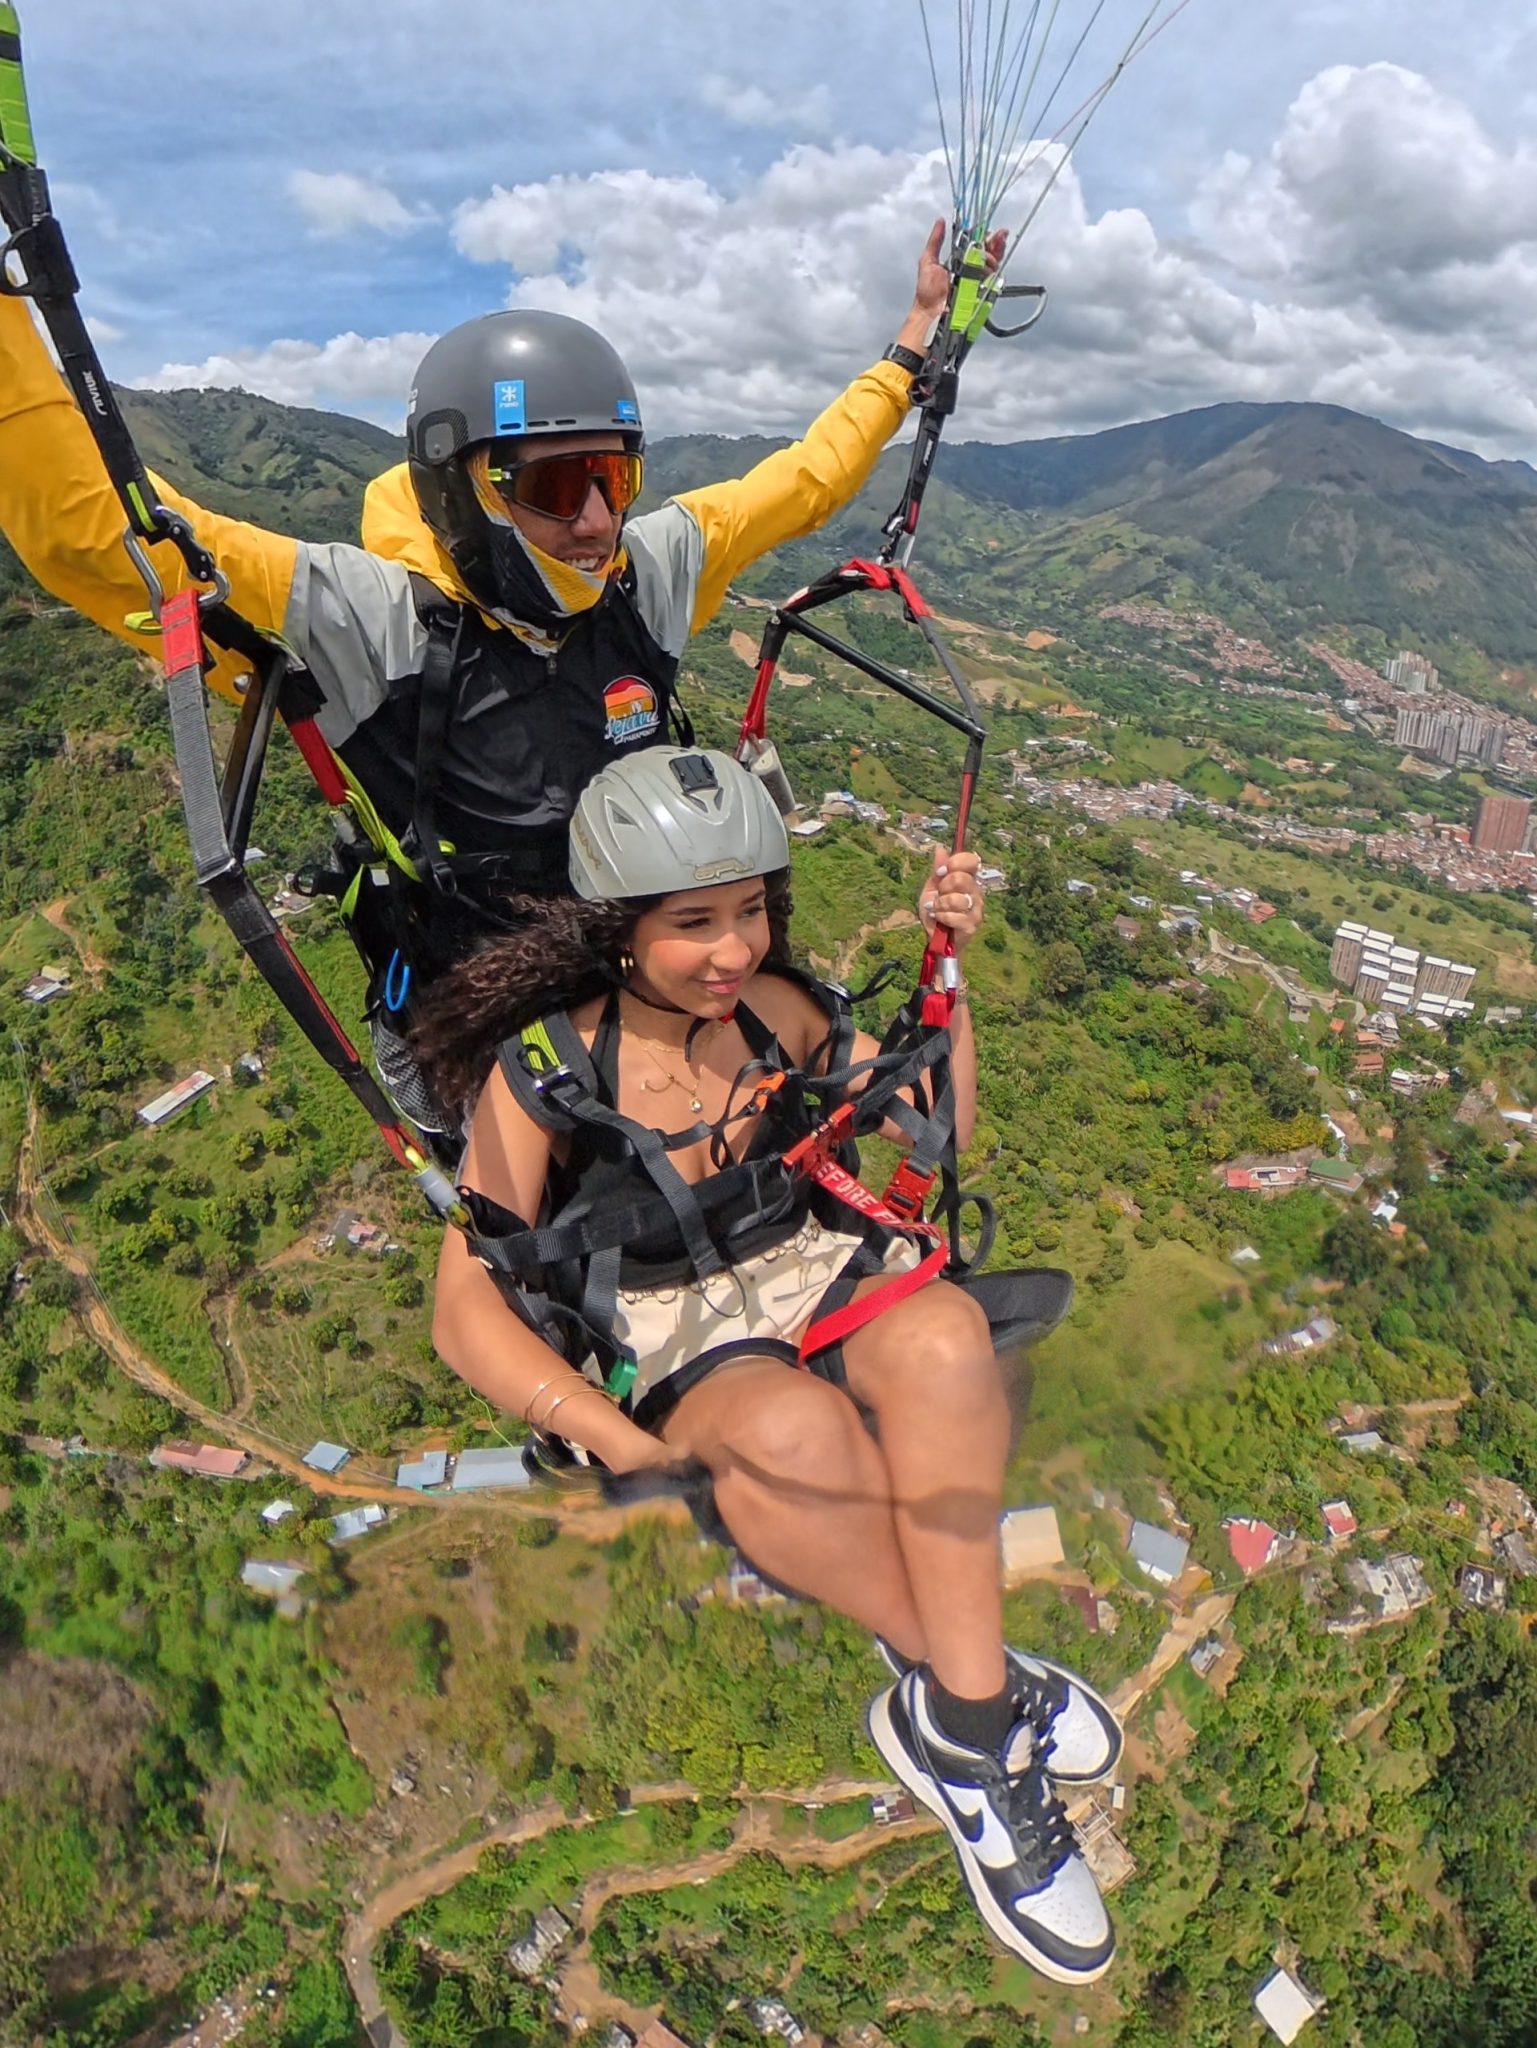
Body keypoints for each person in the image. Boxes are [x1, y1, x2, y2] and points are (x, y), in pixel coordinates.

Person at [418, 745, 1123, 1986]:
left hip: (802, 1260)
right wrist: (611, 1433)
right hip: (672, 1325)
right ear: (618, 928)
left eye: (750, 909)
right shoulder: (545, 1073)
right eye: (693, 922)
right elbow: (466, 1306)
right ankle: (983, 1718)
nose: (732, 947)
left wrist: (949, 967)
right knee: (796, 1432)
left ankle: (956, 1714)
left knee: (946, 1333)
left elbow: (926, 1120)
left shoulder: (773, 1014)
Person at [0, 224, 994, 1006]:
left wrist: (912, 342)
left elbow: (805, 482)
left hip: (656, 959)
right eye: (557, 486)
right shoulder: (367, 621)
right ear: (459, 494)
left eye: (614, 475)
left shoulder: (649, 569)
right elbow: (96, 534)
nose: (600, 519)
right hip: (491, 1002)